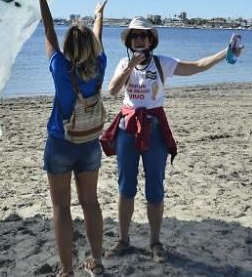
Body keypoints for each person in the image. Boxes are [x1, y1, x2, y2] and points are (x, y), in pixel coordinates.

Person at [102, 17, 241, 263]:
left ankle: (155, 243)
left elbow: (197, 65)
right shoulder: (125, 62)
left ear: (151, 40)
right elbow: (112, 90)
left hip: (154, 129)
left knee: (155, 188)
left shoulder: (162, 63)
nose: (139, 40)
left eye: (143, 36)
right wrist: (130, 66)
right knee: (126, 188)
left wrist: (225, 53)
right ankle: (123, 240)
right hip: (127, 128)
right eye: (135, 36)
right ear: (130, 41)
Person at [30, 0, 107, 277]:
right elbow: (97, 37)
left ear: (68, 47)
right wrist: (98, 14)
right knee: (90, 202)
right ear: (92, 45)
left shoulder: (61, 68)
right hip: (90, 143)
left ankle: (67, 271)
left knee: (61, 208)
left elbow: (48, 30)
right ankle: (97, 262)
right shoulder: (99, 65)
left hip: (61, 143)